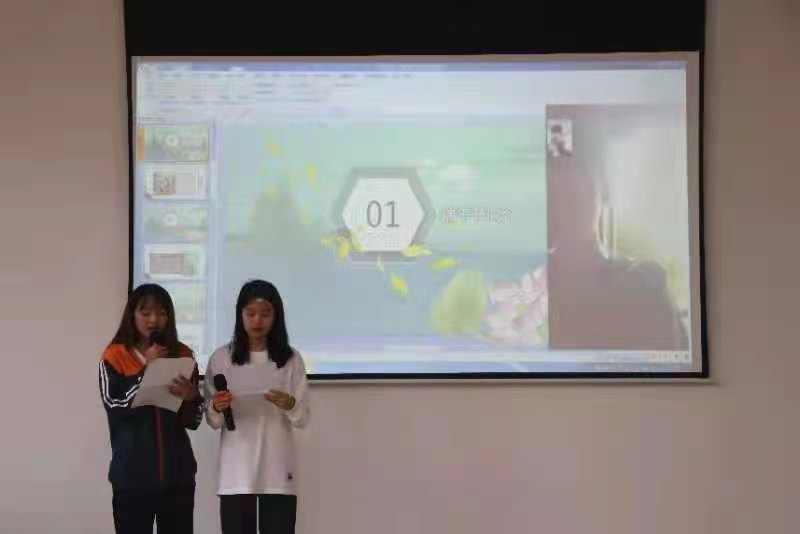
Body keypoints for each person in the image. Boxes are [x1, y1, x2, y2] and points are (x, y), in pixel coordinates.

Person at [205, 279, 310, 534]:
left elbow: (302, 418)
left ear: (276, 316)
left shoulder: (290, 359)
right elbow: (213, 420)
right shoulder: (222, 358)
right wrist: (217, 407)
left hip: (278, 470)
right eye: (250, 313)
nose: (257, 321)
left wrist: (290, 404)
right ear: (240, 315)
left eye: (265, 314)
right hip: (236, 472)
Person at [98, 284, 202, 534]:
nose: (153, 319)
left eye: (161, 313)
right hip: (132, 476)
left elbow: (194, 421)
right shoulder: (115, 356)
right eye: (145, 313)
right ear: (132, 315)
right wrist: (148, 369)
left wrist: (191, 398)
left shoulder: (183, 354)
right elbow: (115, 405)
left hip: (178, 476)